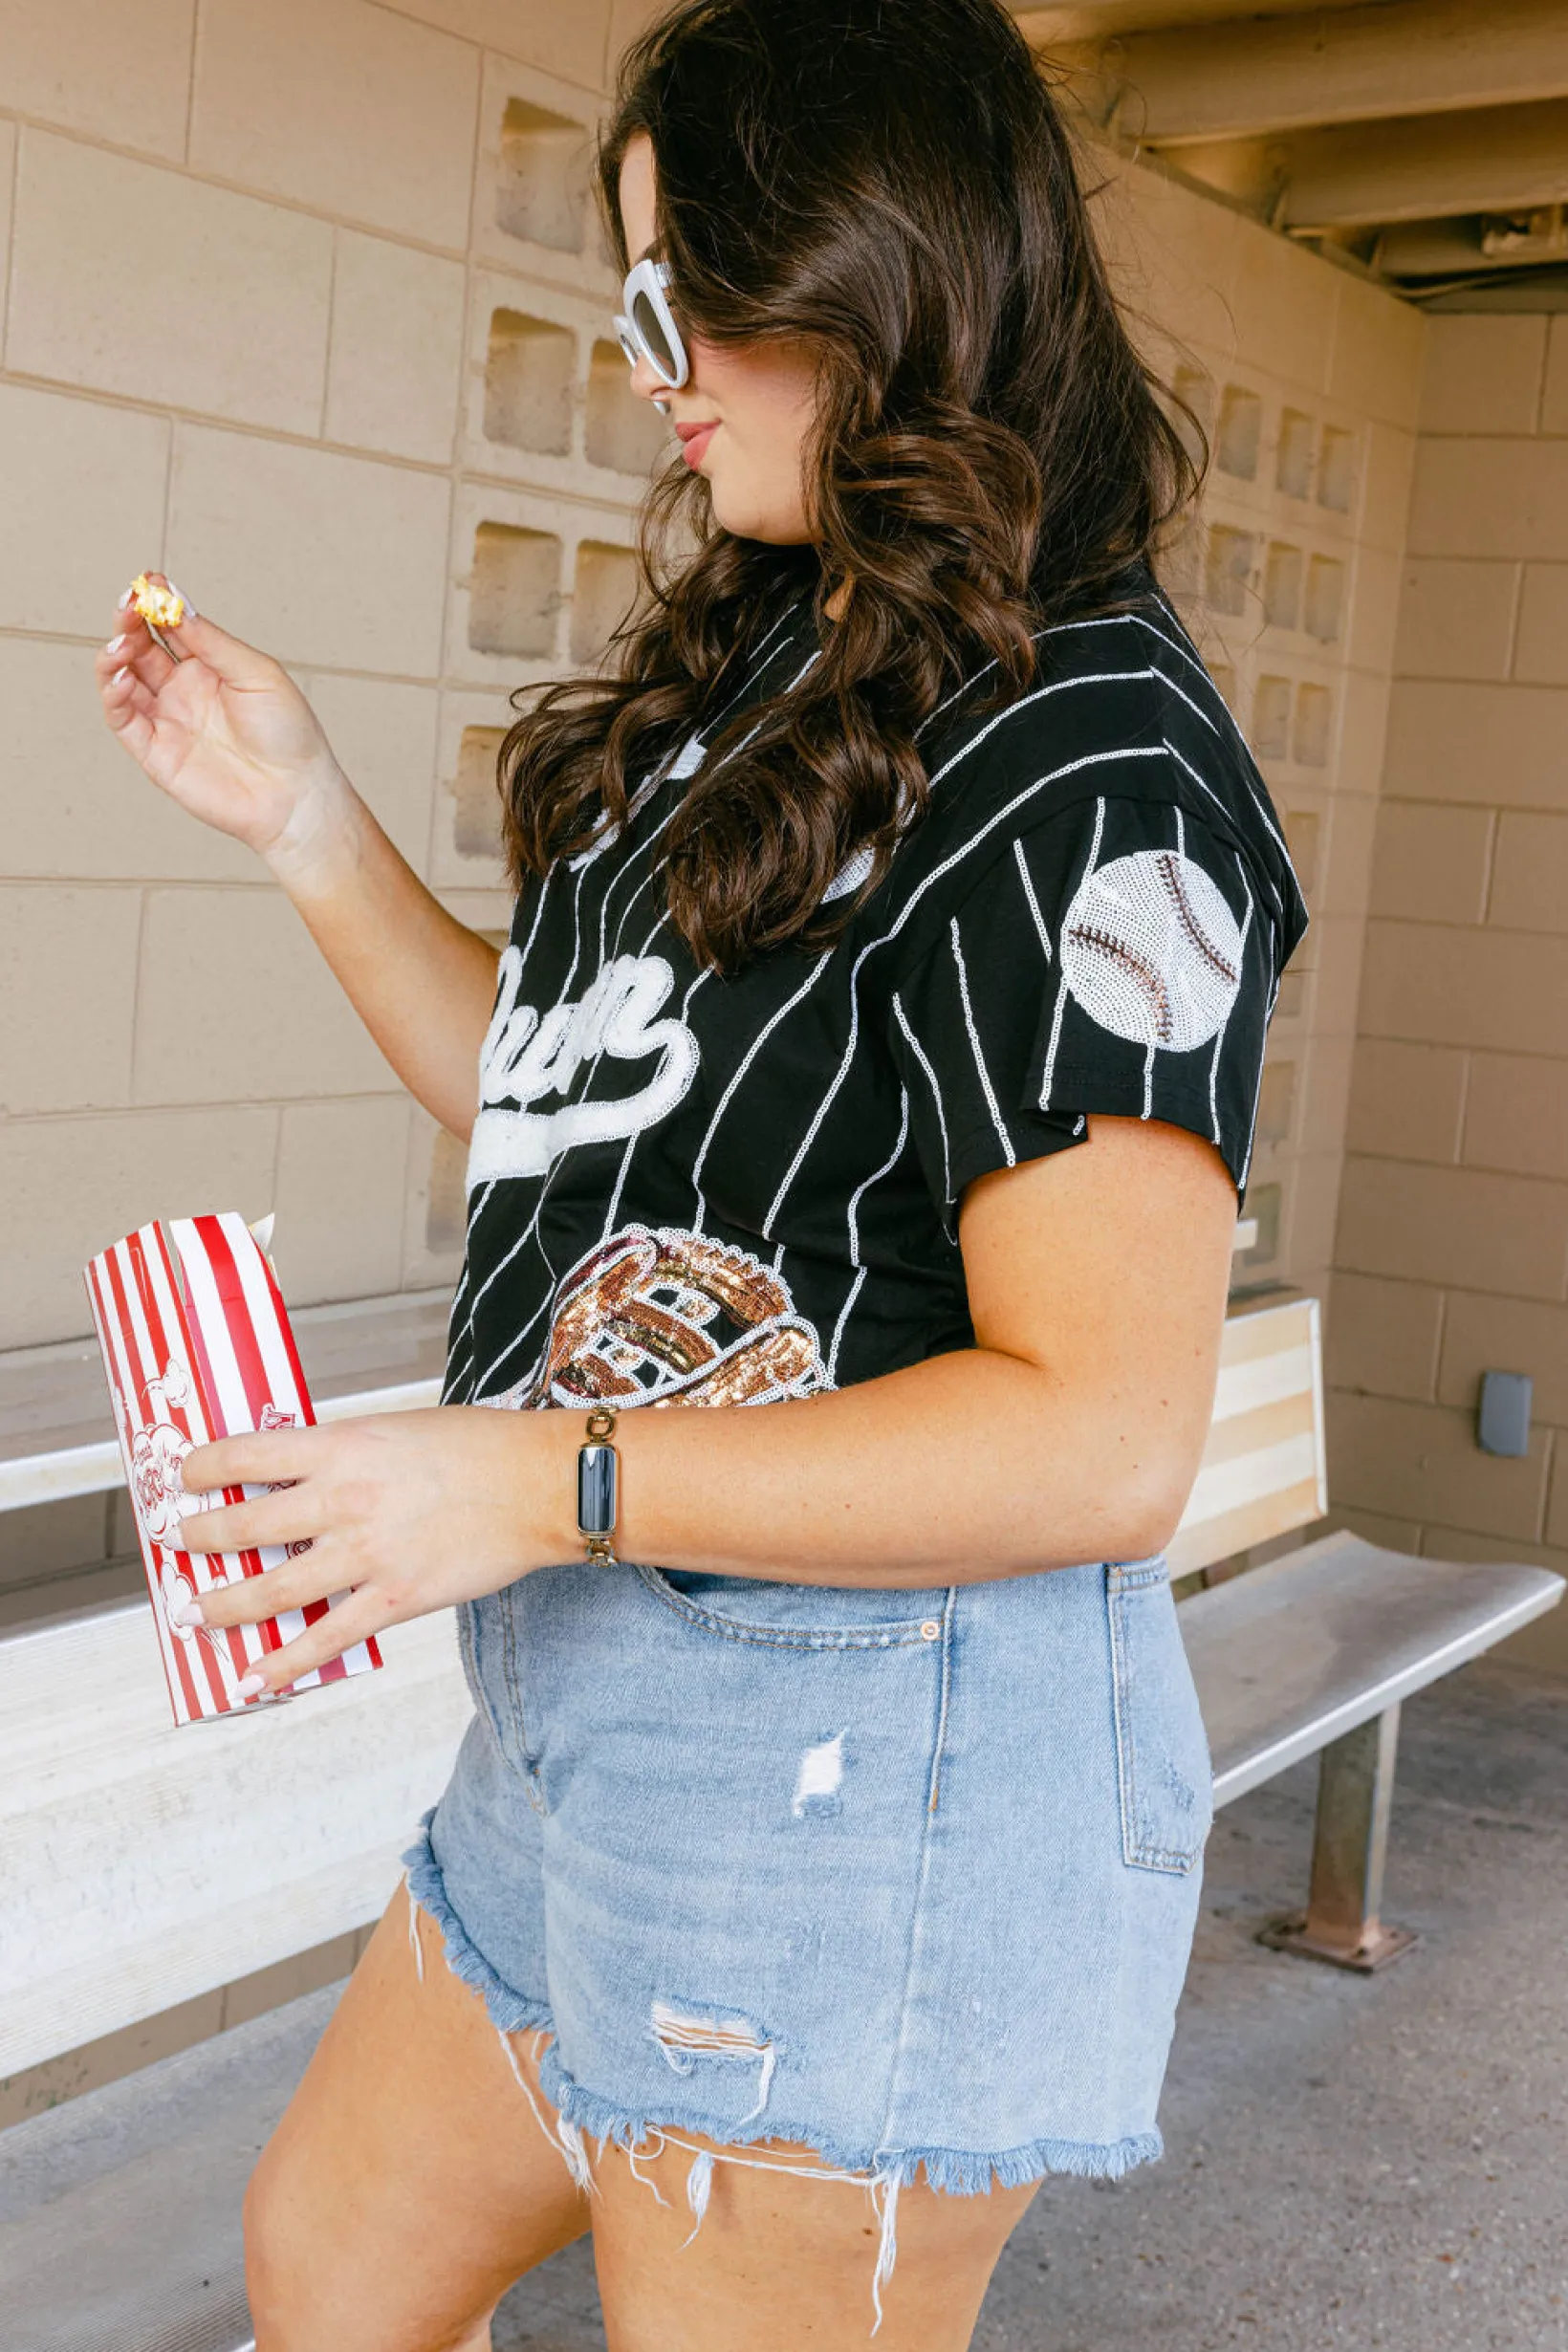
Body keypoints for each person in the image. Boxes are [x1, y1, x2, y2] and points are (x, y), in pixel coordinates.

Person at [96, 2, 1307, 2344]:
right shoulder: (794, 650)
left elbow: (1105, 1431)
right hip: (587, 1728)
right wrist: (306, 819)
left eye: (688, 298)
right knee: (327, 2269)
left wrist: (531, 1482)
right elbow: (566, 1106)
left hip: (865, 1787)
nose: (653, 363)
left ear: (880, 271)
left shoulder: (1091, 754)